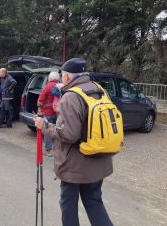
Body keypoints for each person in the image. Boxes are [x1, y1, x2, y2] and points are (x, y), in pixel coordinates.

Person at [34, 58, 114, 226]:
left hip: (75, 165)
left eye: (63, 75)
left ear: (68, 77)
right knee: (94, 202)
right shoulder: (100, 90)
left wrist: (45, 126)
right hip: (99, 158)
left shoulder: (72, 96)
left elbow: (69, 134)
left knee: (68, 205)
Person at [37, 71, 59, 154]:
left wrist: (39, 109)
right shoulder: (61, 86)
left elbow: (40, 99)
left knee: (47, 130)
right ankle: (57, 149)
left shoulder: (47, 86)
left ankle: (48, 150)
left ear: (49, 78)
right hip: (58, 112)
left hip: (48, 112)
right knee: (57, 130)